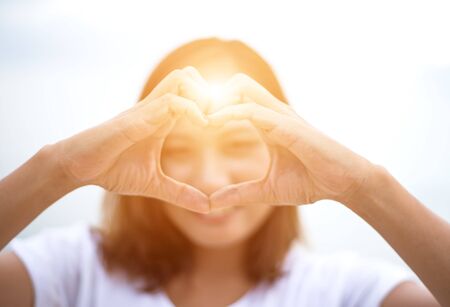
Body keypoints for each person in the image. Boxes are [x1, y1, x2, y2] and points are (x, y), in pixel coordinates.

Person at [0, 38, 448, 307]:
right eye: (177, 148)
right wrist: (61, 168)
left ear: (286, 149)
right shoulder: (72, 269)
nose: (210, 178)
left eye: (236, 145)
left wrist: (362, 186)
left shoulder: (344, 290)